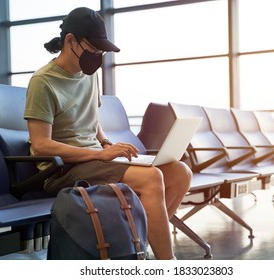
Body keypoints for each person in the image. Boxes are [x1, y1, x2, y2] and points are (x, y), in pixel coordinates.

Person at [24, 7, 192, 260]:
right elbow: (41, 145)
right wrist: (99, 154)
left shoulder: (89, 76)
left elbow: (93, 120)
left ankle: (137, 245)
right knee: (152, 178)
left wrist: (105, 143)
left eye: (101, 51)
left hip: (94, 160)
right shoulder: (43, 81)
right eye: (93, 49)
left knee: (180, 172)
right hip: (62, 170)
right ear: (71, 41)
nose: (98, 56)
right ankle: (167, 264)